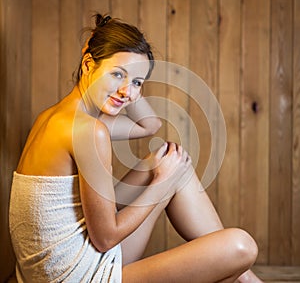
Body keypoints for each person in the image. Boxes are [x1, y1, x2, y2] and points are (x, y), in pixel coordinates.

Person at [9, 14, 262, 282]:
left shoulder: (56, 117)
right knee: (241, 246)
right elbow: (105, 238)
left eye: (137, 83)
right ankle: (247, 279)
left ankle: (248, 280)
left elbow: (148, 125)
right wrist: (161, 183)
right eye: (116, 74)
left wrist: (129, 79)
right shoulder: (87, 131)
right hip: (76, 276)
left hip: (66, 263)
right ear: (87, 65)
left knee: (165, 161)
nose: (127, 92)